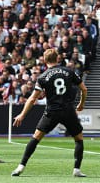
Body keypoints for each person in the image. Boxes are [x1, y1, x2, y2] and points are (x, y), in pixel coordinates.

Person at [11, 49, 88, 177]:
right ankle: (77, 170)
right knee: (79, 139)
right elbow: (84, 89)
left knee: (35, 138)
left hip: (52, 111)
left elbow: (32, 98)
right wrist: (81, 104)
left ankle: (20, 167)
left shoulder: (43, 77)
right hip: (68, 110)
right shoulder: (69, 72)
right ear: (57, 58)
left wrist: (22, 115)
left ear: (45, 60)